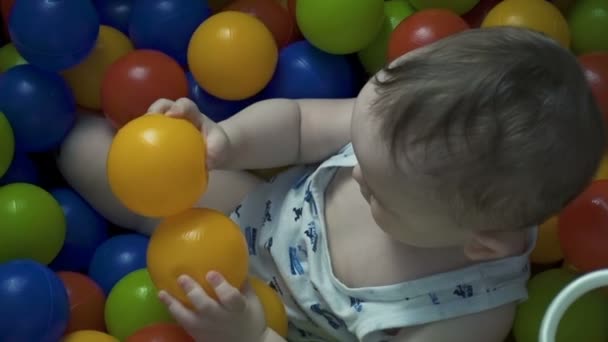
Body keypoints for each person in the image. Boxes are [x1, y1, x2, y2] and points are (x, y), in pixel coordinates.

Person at [67, 26, 605, 342]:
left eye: (376, 192)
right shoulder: (401, 128)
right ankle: (70, 137)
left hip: (277, 328)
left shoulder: (470, 313)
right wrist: (223, 142)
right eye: (357, 148)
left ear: (481, 242)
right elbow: (299, 126)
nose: (352, 171)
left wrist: (252, 334)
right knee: (91, 154)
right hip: (247, 215)